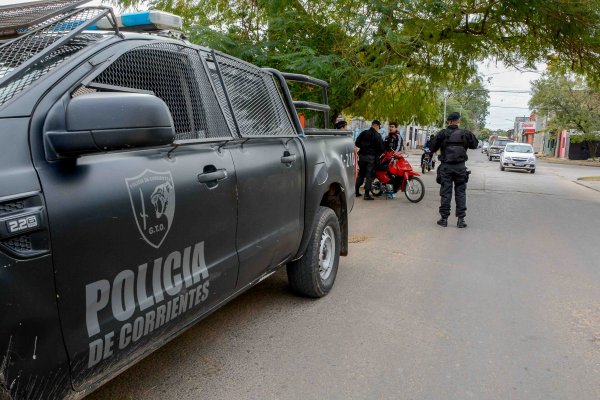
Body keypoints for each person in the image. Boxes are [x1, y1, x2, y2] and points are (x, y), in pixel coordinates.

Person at [430, 112, 478, 228]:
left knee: (446, 193)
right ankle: (461, 220)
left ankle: (444, 219)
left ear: (449, 121)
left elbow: (432, 147)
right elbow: (475, 145)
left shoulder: (442, 134)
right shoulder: (465, 133)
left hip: (446, 167)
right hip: (460, 167)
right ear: (458, 121)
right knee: (460, 193)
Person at [355, 120, 385, 200]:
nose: (378, 129)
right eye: (378, 127)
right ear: (377, 126)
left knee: (361, 173)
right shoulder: (377, 135)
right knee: (369, 175)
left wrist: (363, 147)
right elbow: (382, 148)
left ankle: (356, 192)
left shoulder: (364, 133)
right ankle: (366, 195)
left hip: (362, 157)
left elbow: (357, 143)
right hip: (371, 158)